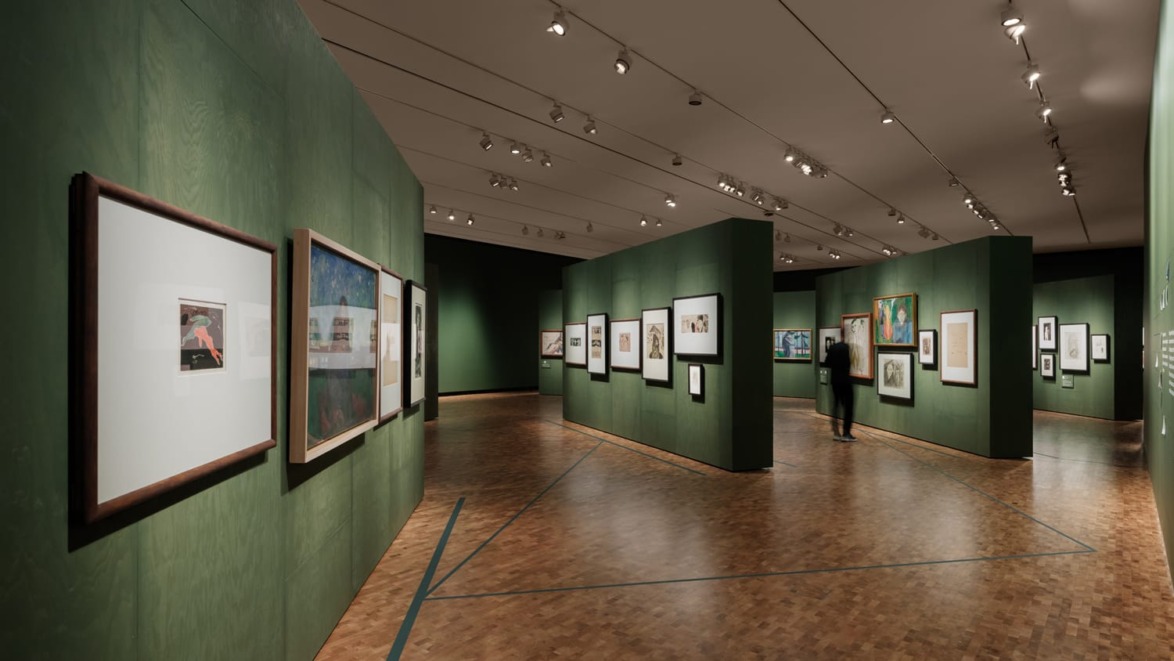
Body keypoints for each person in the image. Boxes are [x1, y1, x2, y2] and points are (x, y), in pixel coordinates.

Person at [825, 339, 856, 442]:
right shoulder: (846, 348)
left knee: (836, 405)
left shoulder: (833, 348)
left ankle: (836, 433)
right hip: (845, 381)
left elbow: (827, 363)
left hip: (834, 381)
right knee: (848, 407)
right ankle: (846, 433)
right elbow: (848, 364)